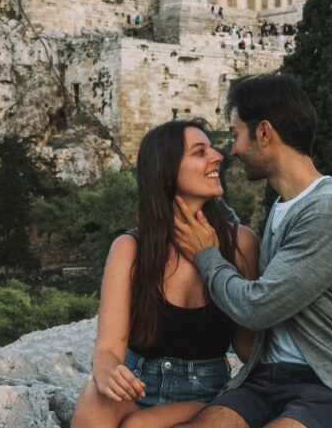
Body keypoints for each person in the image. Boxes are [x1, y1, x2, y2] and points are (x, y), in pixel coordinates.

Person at [172, 74, 332, 428]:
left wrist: (207, 256)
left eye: (238, 134)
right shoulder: (283, 205)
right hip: (269, 380)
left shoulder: (329, 210)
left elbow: (258, 307)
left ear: (264, 133)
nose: (233, 149)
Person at [72, 119, 260, 428]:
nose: (217, 157)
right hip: (138, 381)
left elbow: (247, 345)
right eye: (200, 152)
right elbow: (108, 349)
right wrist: (106, 373)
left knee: (137, 427)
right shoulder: (130, 248)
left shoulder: (240, 244)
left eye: (211, 148)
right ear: (167, 171)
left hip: (205, 391)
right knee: (95, 404)